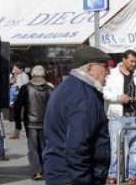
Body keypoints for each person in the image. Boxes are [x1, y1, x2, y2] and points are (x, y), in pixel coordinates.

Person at [43, 45, 111, 185]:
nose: (108, 71)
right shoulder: (83, 96)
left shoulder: (65, 88)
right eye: (105, 66)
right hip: (71, 177)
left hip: (60, 173)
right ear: (90, 68)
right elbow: (76, 146)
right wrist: (83, 179)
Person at [104, 49, 136, 185]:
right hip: (117, 116)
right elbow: (104, 92)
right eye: (131, 61)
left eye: (135, 61)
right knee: (116, 149)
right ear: (123, 59)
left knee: (135, 148)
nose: (134, 64)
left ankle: (133, 176)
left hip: (134, 116)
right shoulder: (112, 73)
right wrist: (118, 97)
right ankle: (113, 174)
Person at [22, 65, 53, 181]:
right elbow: (54, 107)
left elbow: (18, 104)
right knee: (44, 147)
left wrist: (17, 123)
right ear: (44, 75)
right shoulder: (50, 89)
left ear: (32, 75)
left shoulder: (26, 88)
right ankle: (45, 170)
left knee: (33, 148)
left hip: (30, 123)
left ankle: (36, 171)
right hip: (45, 123)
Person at [9, 62, 29, 139]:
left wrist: (16, 85)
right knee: (16, 115)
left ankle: (20, 132)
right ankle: (16, 132)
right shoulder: (14, 75)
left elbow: (26, 85)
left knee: (22, 115)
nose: (13, 69)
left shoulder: (24, 75)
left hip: (22, 97)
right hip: (15, 96)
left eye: (15, 68)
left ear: (20, 69)